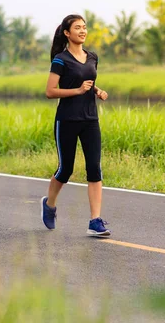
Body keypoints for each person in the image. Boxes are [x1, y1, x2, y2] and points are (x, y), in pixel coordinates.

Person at [40, 14, 110, 237]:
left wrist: (97, 90)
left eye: (84, 27)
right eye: (77, 28)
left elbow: (89, 81)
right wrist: (78, 91)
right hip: (67, 120)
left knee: (94, 168)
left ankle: (95, 221)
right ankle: (49, 204)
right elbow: (50, 92)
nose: (82, 30)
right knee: (65, 170)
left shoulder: (92, 57)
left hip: (90, 120)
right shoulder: (60, 59)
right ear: (67, 33)